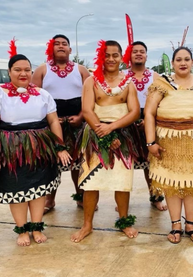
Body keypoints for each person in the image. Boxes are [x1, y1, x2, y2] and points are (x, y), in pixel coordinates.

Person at [0, 45, 71, 246]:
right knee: (17, 188)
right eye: (17, 69)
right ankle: (22, 229)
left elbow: (54, 122)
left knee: (39, 187)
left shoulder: (43, 94)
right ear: (9, 72)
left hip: (40, 145)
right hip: (10, 147)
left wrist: (60, 147)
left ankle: (37, 226)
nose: (23, 73)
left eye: (27, 69)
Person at [144, 47, 193, 244]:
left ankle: (191, 224)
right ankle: (175, 225)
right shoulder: (162, 84)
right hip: (167, 143)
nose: (183, 62)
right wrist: (151, 142)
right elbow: (149, 113)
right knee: (171, 183)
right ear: (172, 63)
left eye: (187, 59)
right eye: (178, 59)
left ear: (192, 62)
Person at [71, 40, 142, 243]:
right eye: (107, 55)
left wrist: (112, 128)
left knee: (122, 182)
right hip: (95, 134)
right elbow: (87, 110)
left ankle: (124, 221)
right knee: (91, 183)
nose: (111, 59)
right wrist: (104, 134)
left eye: (115, 55)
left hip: (121, 134)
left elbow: (135, 111)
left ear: (121, 57)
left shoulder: (128, 82)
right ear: (101, 57)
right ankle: (87, 225)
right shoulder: (91, 81)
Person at [32, 34, 90, 213]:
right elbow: (35, 98)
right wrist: (50, 120)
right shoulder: (42, 70)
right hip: (51, 125)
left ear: (70, 49)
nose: (61, 46)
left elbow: (90, 98)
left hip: (78, 124)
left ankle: (80, 196)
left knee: (78, 162)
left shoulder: (81, 70)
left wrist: (81, 117)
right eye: (57, 44)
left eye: (64, 44)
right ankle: (49, 200)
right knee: (52, 163)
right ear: (51, 48)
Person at [123, 41, 167, 211]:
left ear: (146, 55)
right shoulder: (122, 76)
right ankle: (122, 200)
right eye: (135, 52)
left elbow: (163, 102)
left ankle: (155, 197)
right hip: (127, 121)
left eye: (142, 51)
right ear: (130, 55)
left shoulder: (156, 77)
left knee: (151, 163)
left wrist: (151, 122)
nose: (139, 54)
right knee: (125, 163)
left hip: (150, 121)